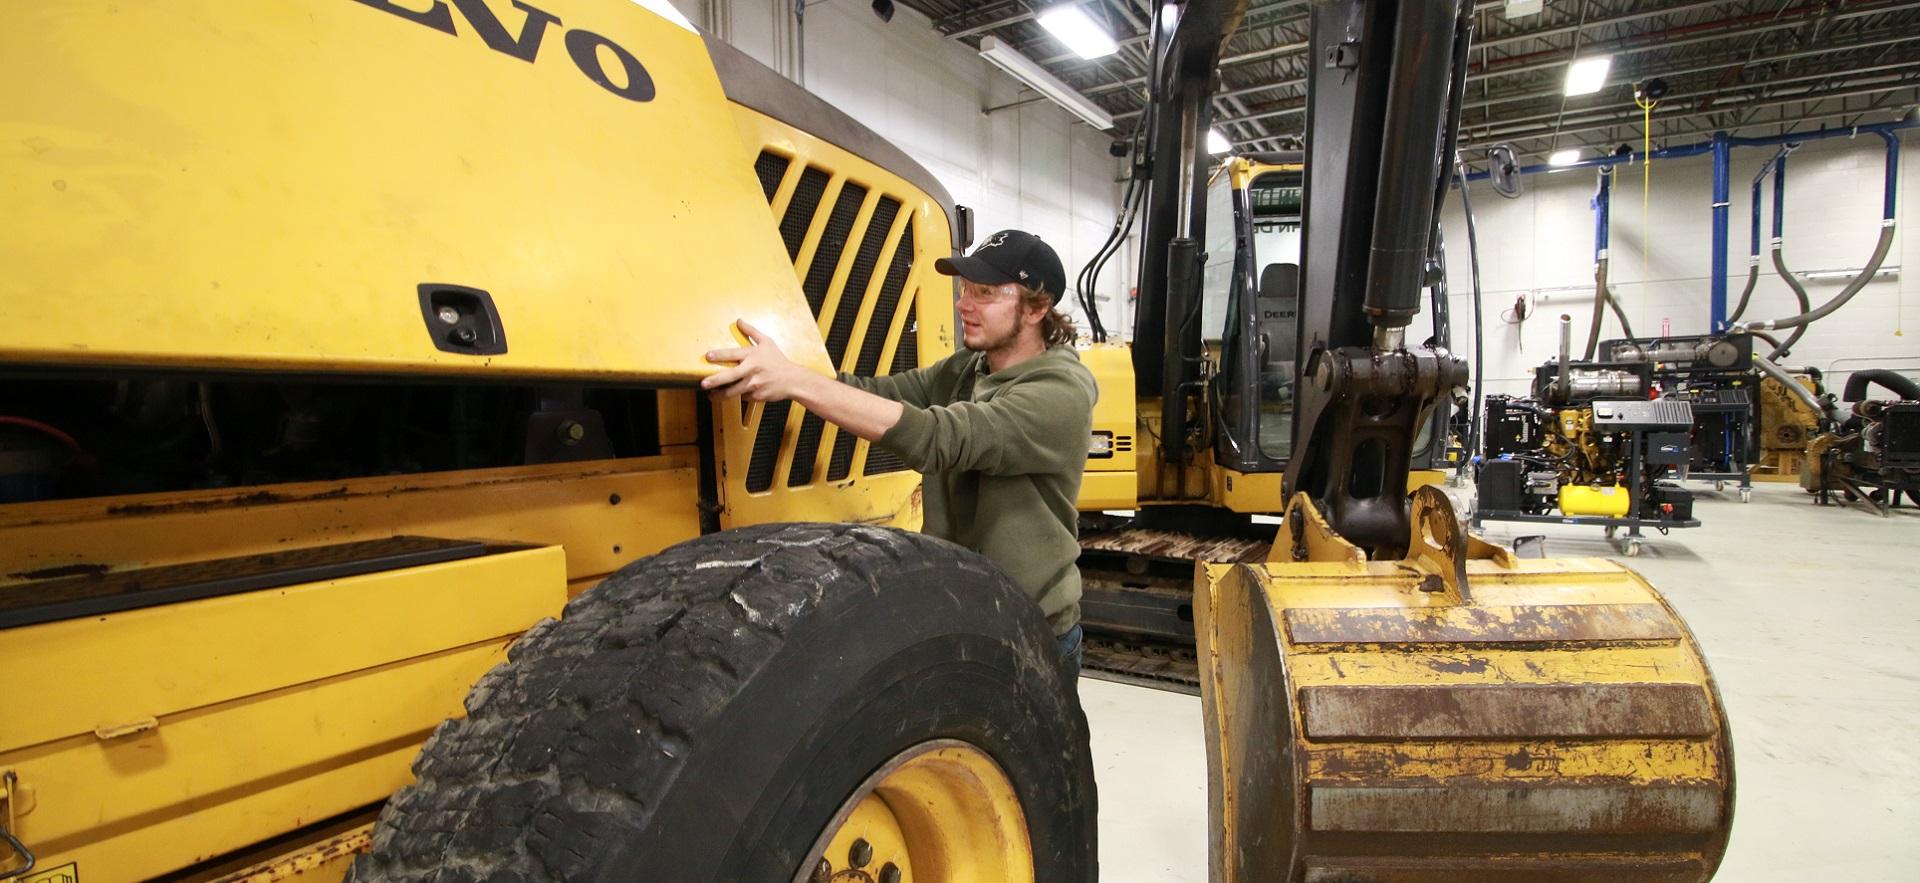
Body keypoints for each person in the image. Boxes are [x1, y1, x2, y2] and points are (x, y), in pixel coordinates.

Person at [701, 229, 1097, 677]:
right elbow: (876, 393)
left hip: (1030, 626)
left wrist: (796, 381)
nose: (964, 305)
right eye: (965, 290)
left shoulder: (1060, 393)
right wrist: (781, 369)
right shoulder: (967, 368)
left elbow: (938, 438)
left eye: (984, 294)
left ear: (1037, 308)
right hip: (962, 610)